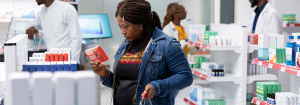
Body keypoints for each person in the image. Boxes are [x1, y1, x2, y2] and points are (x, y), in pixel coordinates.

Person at [90, 0, 193, 105]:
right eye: (120, 26)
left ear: (140, 23)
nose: (122, 31)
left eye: (125, 26)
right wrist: (105, 74)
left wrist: (157, 86)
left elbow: (186, 76)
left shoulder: (167, 44)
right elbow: (122, 83)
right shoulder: (125, 45)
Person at [26, 0, 82, 64]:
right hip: (51, 60)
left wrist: (73, 62)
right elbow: (29, 25)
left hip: (67, 60)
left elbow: (76, 38)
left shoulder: (68, 9)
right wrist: (31, 28)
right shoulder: (42, 12)